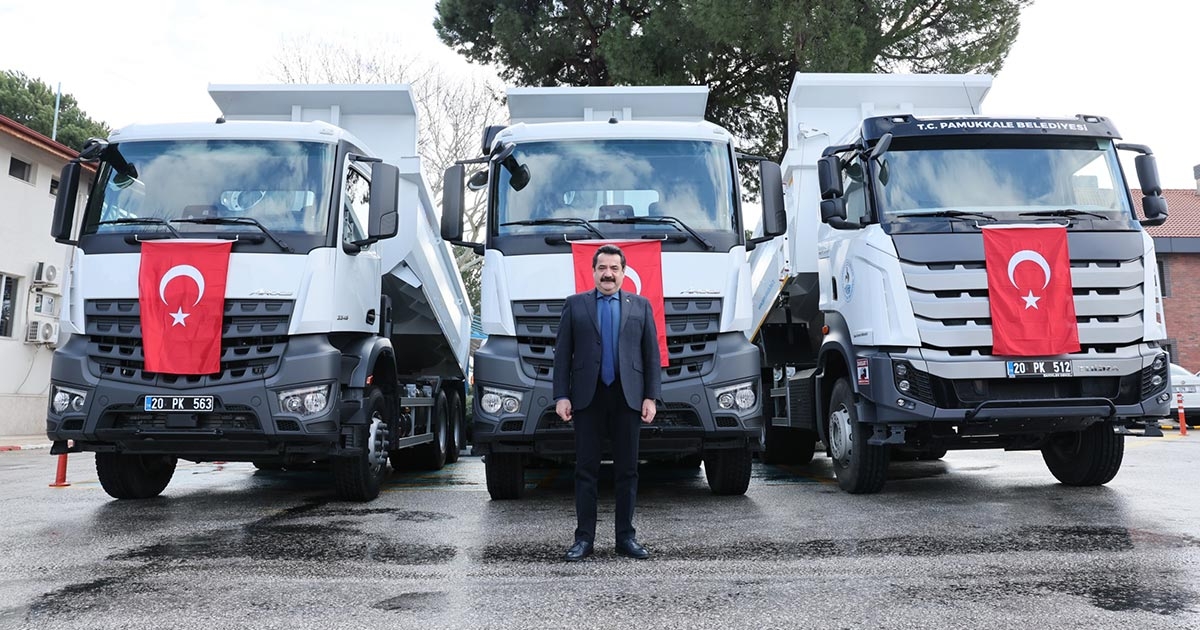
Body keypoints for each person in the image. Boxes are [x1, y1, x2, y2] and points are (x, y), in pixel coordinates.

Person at [553, 244, 661, 561]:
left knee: (627, 471)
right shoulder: (575, 305)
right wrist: (561, 395)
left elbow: (651, 356)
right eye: (602, 268)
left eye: (614, 268)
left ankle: (625, 538)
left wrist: (651, 396)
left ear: (624, 272)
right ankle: (583, 539)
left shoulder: (641, 306)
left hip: (628, 398)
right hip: (588, 398)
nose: (608, 274)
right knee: (586, 471)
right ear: (594, 271)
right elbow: (562, 355)